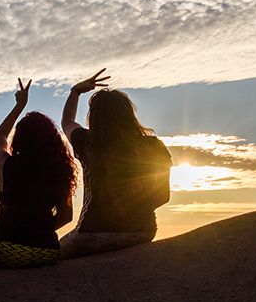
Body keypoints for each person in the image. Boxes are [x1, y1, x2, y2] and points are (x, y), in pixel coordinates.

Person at [60, 68, 172, 258]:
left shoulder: (87, 141)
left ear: (93, 116)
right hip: (142, 231)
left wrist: (75, 92)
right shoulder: (154, 145)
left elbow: (67, 121)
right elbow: (163, 197)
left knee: (54, 251)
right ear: (129, 114)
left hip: (93, 234)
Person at [0, 78, 76, 267]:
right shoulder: (59, 171)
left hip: (6, 251)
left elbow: (0, 136)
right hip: (45, 251)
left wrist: (19, 105)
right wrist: (39, 230)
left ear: (19, 139)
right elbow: (66, 216)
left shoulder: (6, 164)